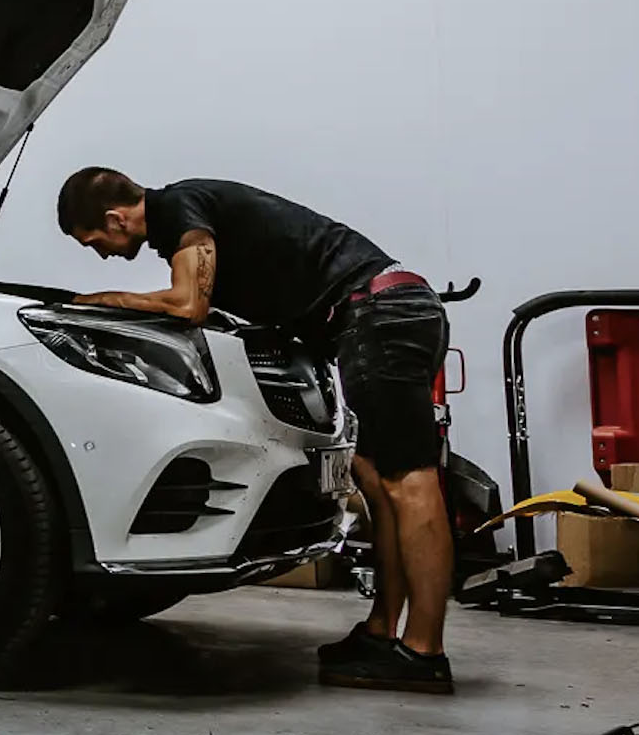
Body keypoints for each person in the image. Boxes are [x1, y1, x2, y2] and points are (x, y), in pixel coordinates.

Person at [56, 168, 454, 694]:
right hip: (384, 312)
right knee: (377, 480)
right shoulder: (190, 213)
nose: (102, 254)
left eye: (96, 242)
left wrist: (110, 299)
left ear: (114, 217)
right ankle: (383, 633)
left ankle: (424, 651)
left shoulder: (178, 206)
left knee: (409, 480)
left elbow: (188, 304)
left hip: (379, 315)